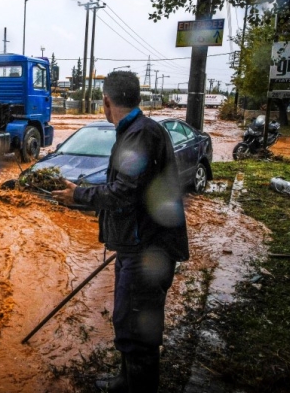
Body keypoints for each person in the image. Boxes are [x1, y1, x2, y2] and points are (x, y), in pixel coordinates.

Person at [52, 71, 189, 393]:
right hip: (141, 244)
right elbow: (131, 190)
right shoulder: (139, 131)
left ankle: (135, 386)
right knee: (130, 319)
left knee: (137, 323)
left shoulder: (138, 135)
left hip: (147, 250)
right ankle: (129, 381)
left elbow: (123, 193)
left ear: (106, 101)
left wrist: (78, 195)